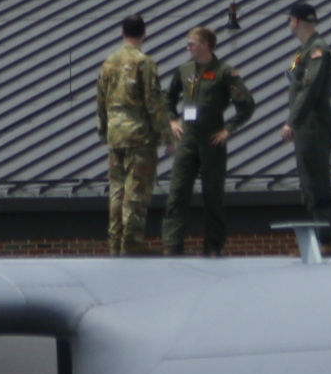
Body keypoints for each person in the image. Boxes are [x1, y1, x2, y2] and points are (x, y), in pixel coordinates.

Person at [161, 25, 253, 256]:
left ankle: (213, 246)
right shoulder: (184, 70)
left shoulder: (224, 72)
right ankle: (172, 245)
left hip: (212, 140)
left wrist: (228, 129)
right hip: (187, 139)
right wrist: (172, 121)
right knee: (177, 193)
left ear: (205, 45)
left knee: (213, 195)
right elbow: (167, 98)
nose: (188, 47)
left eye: (191, 43)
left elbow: (247, 105)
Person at [94, 14, 174, 254]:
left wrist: (104, 130)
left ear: (122, 33)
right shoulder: (144, 62)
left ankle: (114, 243)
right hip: (139, 137)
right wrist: (166, 136)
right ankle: (132, 244)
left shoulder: (108, 62)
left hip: (115, 136)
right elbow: (153, 102)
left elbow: (100, 100)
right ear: (144, 34)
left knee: (117, 191)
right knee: (136, 191)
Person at [280, 0, 331, 231]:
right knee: (308, 183)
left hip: (313, 124)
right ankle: (321, 236)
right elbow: (293, 77)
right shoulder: (301, 52)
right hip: (306, 125)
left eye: (289, 20)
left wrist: (291, 121)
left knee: (316, 184)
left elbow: (309, 88)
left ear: (295, 21)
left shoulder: (317, 50)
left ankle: (327, 239)